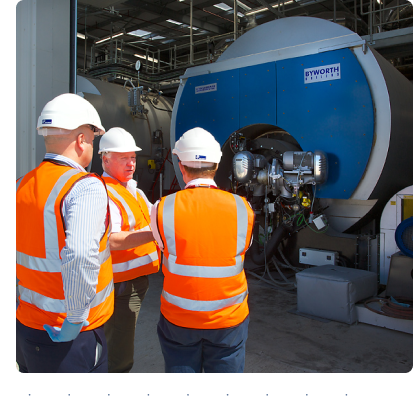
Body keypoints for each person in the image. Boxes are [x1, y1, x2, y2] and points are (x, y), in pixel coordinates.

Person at [15, 93, 114, 373]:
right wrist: (74, 319)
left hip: (27, 327)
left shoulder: (23, 184)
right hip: (70, 335)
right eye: (93, 140)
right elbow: (81, 255)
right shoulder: (84, 186)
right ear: (82, 139)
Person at [151, 127, 255, 373]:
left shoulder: (162, 209)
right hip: (228, 320)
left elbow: (162, 246)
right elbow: (243, 250)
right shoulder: (243, 208)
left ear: (181, 166)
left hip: (179, 320)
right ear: (217, 165)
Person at [99, 127, 159, 373]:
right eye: (124, 158)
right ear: (105, 159)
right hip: (120, 285)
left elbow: (155, 216)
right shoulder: (104, 191)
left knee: (115, 343)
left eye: (133, 158)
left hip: (134, 281)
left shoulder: (133, 190)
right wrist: (155, 234)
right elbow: (111, 240)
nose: (131, 163)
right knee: (119, 355)